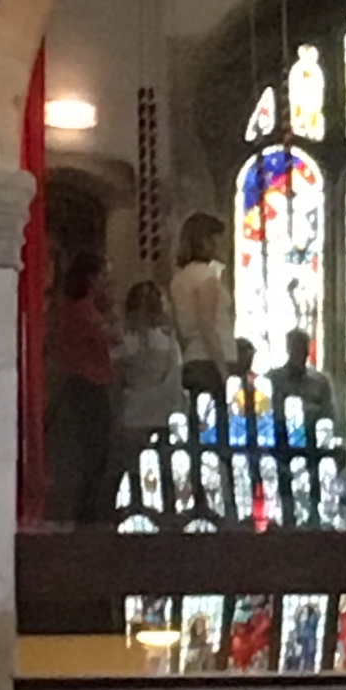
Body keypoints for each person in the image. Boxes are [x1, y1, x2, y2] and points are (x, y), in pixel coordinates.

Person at [46, 250, 118, 524]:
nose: (107, 281)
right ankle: (88, 514)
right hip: (88, 384)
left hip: (84, 382)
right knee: (94, 453)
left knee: (94, 453)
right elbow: (111, 337)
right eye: (104, 275)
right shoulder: (82, 311)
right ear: (92, 278)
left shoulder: (74, 309)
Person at [106, 281, 183, 513]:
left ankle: (126, 512)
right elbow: (177, 370)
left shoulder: (126, 340)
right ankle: (168, 513)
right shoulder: (168, 339)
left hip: (134, 412)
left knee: (127, 470)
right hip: (164, 411)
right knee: (164, 469)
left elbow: (113, 371)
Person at [169, 211, 237, 404]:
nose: (222, 244)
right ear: (206, 240)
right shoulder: (206, 276)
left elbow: (181, 326)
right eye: (218, 238)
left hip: (192, 358)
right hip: (210, 363)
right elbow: (206, 325)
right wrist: (223, 371)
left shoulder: (179, 277)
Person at [269, 329, 335, 430]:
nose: (299, 353)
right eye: (295, 348)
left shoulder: (320, 382)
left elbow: (328, 416)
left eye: (303, 348)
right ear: (288, 349)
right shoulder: (274, 379)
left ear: (308, 350)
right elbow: (268, 412)